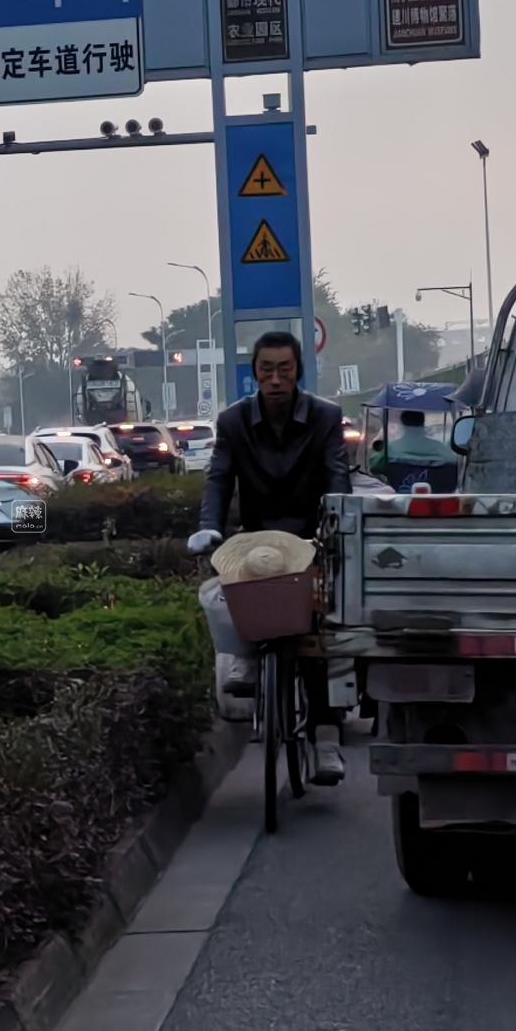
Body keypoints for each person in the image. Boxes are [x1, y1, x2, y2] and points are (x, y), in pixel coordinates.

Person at [188, 328, 353, 784]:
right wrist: (209, 526)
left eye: (284, 369)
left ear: (298, 371)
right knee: (223, 595)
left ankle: (325, 739)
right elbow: (219, 479)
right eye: (266, 370)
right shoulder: (233, 421)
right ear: (255, 373)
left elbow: (337, 477)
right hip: (256, 543)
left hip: (311, 539)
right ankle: (245, 657)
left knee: (316, 633)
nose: (275, 379)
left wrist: (337, 526)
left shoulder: (325, 417)